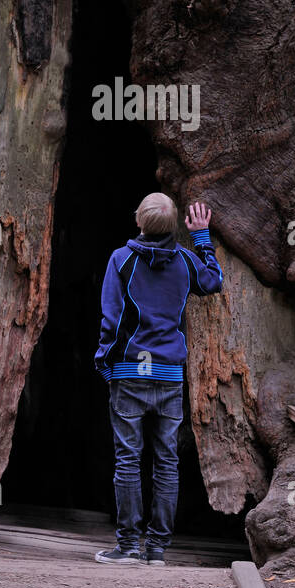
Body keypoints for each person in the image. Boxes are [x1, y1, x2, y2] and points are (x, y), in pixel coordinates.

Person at [93, 193, 222, 565]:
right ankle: (157, 550)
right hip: (169, 376)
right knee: (167, 461)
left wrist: (105, 362)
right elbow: (214, 281)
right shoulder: (185, 262)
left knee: (128, 460)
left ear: (139, 222)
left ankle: (128, 546)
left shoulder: (121, 260)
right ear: (175, 225)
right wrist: (201, 237)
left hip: (131, 372)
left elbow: (112, 321)